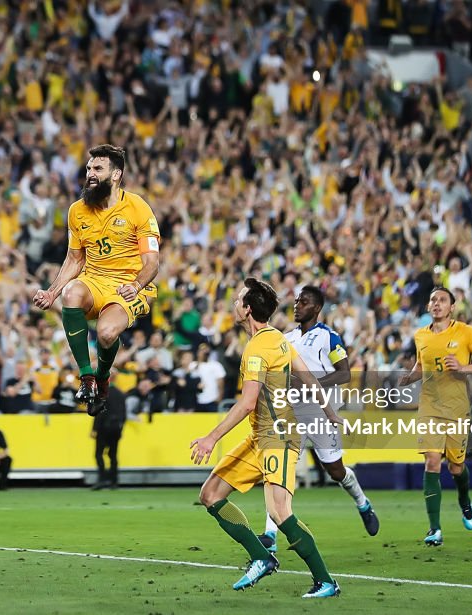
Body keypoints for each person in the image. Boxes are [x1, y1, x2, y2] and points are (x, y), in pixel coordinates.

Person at [190, 278, 343, 599]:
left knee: (279, 512)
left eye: (238, 300)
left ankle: (326, 580)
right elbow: (308, 377)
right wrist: (330, 413)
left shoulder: (258, 348)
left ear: (247, 310)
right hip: (260, 437)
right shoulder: (278, 339)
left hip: (279, 438)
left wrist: (211, 438)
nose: (234, 303)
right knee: (211, 494)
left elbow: (247, 403)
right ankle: (262, 557)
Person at [32, 144, 161, 417]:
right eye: (89, 168)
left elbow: (152, 262)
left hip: (129, 285)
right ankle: (87, 378)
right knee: (70, 293)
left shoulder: (138, 207)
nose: (90, 173)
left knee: (106, 334)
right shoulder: (77, 211)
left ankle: (103, 377)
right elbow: (75, 259)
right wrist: (51, 292)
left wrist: (136, 286)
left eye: (98, 168)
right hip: (94, 280)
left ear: (116, 175)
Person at [259, 285, 379, 554]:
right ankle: (270, 534)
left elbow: (344, 373)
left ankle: (362, 502)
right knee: (282, 469)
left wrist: (311, 384)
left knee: (335, 471)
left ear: (316, 308)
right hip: (293, 412)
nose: (297, 305)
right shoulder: (286, 338)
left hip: (323, 412)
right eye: (297, 300)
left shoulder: (329, 337)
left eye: (304, 302)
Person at [398, 287, 472, 547]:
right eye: (433, 300)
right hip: (429, 407)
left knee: (456, 467)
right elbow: (421, 365)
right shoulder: (421, 336)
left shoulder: (465, 332)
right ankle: (434, 528)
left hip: (457, 410)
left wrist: (464, 368)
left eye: (442, 300)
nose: (436, 303)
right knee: (432, 461)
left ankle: (464, 500)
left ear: (452, 307)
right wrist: (409, 377)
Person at [91, 385, 127, 490]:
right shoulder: (120, 393)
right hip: (116, 428)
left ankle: (102, 479)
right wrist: (121, 429)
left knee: (99, 454)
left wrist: (94, 429)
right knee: (113, 455)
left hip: (103, 428)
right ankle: (114, 481)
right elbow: (124, 413)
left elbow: (99, 412)